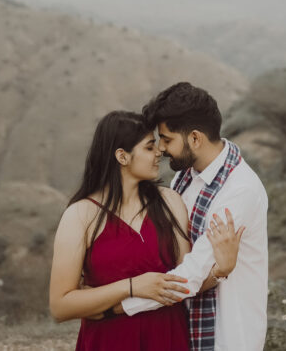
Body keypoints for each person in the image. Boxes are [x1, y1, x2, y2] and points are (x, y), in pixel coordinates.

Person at [49, 110, 244, 351]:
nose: (159, 152)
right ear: (122, 156)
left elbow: (182, 284)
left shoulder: (169, 202)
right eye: (150, 147)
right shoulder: (80, 215)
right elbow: (60, 306)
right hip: (109, 341)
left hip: (167, 338)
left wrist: (220, 271)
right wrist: (131, 286)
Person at [122, 83, 269, 351]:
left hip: (227, 336)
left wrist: (120, 303)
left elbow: (190, 276)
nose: (161, 148)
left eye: (167, 139)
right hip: (184, 326)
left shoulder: (238, 191)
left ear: (195, 139)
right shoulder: (184, 177)